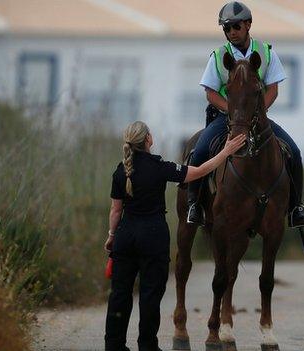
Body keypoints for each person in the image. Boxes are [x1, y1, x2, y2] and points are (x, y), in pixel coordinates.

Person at [103, 121, 245, 351]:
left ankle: (114, 346)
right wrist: (226, 151)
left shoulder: (121, 171)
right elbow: (199, 171)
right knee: (150, 294)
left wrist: (112, 235)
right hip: (153, 237)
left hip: (125, 236)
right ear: (148, 139)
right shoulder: (160, 167)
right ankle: (147, 346)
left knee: (119, 294)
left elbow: (115, 210)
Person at [186, 1, 304, 228]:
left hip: (257, 117)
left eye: (235, 26)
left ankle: (295, 208)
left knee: (294, 151)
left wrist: (256, 112)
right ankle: (195, 205)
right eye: (226, 28)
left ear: (248, 24)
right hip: (226, 116)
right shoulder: (218, 55)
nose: (231, 32)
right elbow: (210, 93)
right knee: (200, 150)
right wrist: (233, 111)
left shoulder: (265, 52)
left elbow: (273, 89)